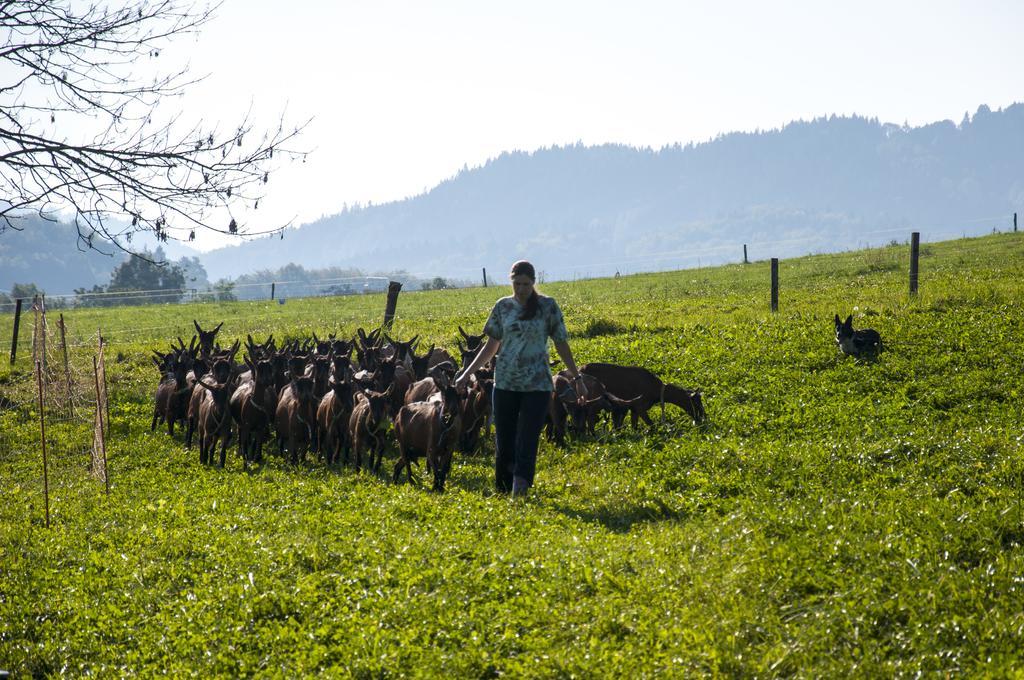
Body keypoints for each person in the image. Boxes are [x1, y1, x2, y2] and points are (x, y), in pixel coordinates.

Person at [455, 260, 586, 497]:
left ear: (534, 282)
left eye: (526, 284)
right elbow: (491, 346)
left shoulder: (548, 307)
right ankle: (503, 488)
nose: (522, 289)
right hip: (505, 384)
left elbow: (561, 343)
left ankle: (521, 486)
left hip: (537, 385)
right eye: (517, 283)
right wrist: (467, 373)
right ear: (511, 281)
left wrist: (577, 377)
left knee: (527, 438)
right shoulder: (502, 307)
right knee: (504, 440)